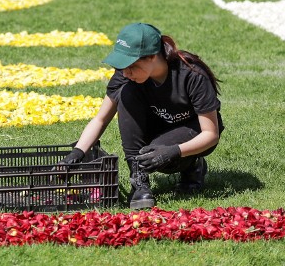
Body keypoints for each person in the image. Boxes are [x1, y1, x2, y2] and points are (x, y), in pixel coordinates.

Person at [59, 23, 223, 209]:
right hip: (158, 130)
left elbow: (211, 134)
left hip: (194, 131)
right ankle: (139, 182)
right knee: (126, 94)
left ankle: (193, 165)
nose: (126, 73)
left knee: (160, 155)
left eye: (131, 66)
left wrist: (173, 151)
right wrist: (77, 153)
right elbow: (100, 119)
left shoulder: (192, 75)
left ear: (152, 57)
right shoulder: (125, 75)